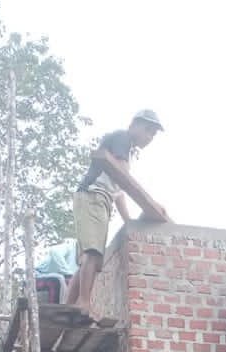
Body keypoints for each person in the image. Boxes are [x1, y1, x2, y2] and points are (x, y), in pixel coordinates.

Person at [68, 109, 166, 314]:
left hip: (102, 199)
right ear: (133, 125)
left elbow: (119, 192)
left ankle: (69, 306)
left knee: (93, 256)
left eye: (153, 134)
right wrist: (150, 203)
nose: (149, 137)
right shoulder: (123, 138)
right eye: (147, 130)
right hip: (93, 195)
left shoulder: (129, 152)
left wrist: (129, 222)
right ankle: (84, 303)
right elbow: (123, 175)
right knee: (92, 252)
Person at [35, 239, 79, 306]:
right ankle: (59, 309)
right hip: (37, 277)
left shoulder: (80, 266)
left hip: (55, 279)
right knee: (58, 279)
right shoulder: (70, 245)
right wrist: (68, 275)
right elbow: (54, 251)